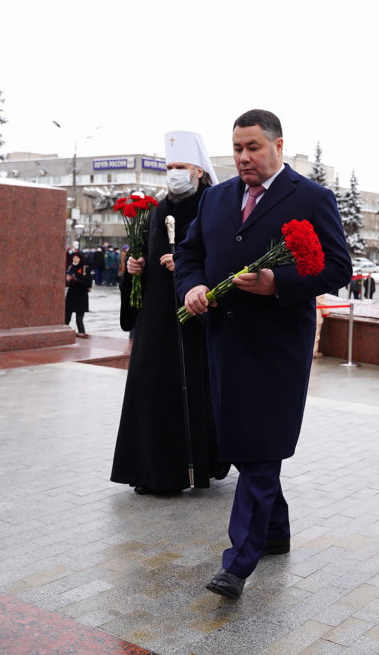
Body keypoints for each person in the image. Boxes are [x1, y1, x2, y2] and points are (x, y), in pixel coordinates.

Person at [176, 110, 351, 599]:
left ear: (278, 146)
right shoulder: (215, 198)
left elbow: (337, 265)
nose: (243, 158)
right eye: (236, 148)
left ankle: (238, 563)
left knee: (260, 452)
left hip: (275, 349)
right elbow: (191, 254)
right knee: (241, 447)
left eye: (253, 147)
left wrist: (280, 282)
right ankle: (274, 532)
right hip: (223, 345)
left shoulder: (313, 198)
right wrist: (192, 286)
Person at [113, 130, 226, 497]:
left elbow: (224, 259)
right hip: (156, 319)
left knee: (193, 389)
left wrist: (189, 269)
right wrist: (135, 265)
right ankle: (149, 470)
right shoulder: (159, 208)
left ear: (199, 170)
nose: (174, 172)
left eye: (181, 166)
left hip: (194, 320)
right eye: (170, 166)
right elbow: (145, 252)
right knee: (150, 388)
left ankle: (192, 468)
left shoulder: (213, 204)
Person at [64, 250, 91, 335]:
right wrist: (67, 280)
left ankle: (82, 334)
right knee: (66, 318)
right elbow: (66, 283)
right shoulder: (70, 267)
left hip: (81, 296)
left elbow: (87, 283)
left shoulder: (85, 269)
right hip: (71, 295)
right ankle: (64, 334)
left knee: (79, 320)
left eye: (77, 258)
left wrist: (76, 280)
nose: (75, 259)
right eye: (74, 257)